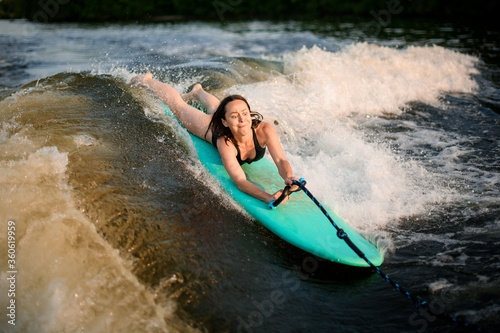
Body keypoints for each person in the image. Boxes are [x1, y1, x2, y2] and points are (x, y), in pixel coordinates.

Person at [131, 73, 299, 203]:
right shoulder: (225, 142)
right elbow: (240, 181)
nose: (242, 120)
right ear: (225, 122)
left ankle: (198, 92)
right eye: (235, 117)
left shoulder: (265, 130)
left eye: (245, 114)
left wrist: (288, 177)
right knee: (179, 106)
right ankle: (146, 80)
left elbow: (280, 160)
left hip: (223, 120)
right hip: (210, 128)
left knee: (216, 107)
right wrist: (269, 197)